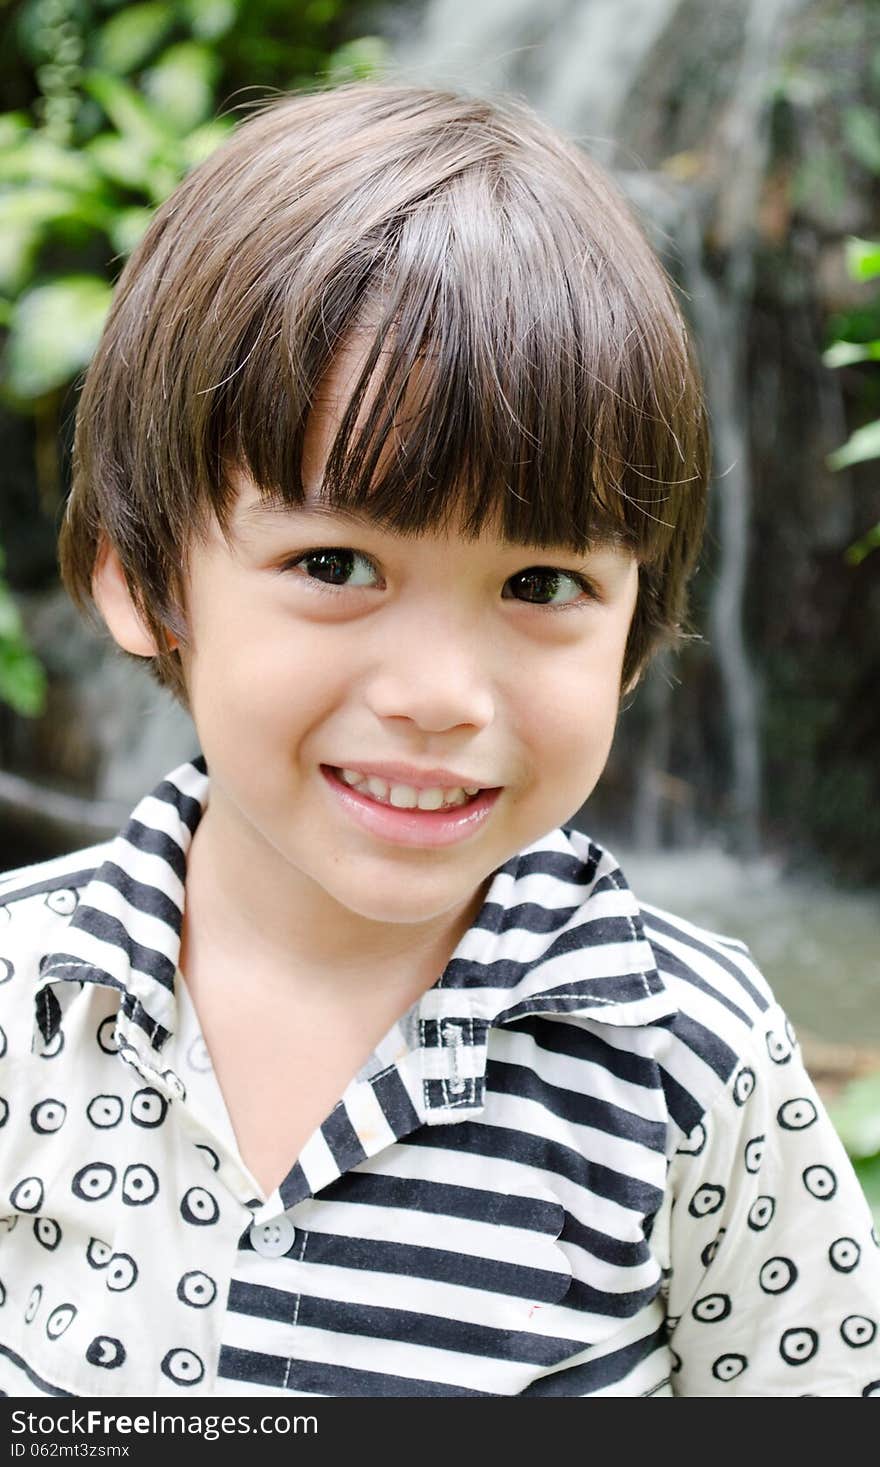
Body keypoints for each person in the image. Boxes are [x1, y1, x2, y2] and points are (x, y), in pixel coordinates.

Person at [1, 82, 877, 1401]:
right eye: (337, 561)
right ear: (141, 580)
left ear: (638, 633)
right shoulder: (22, 1002)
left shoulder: (684, 1061)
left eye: (540, 587)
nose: (441, 695)